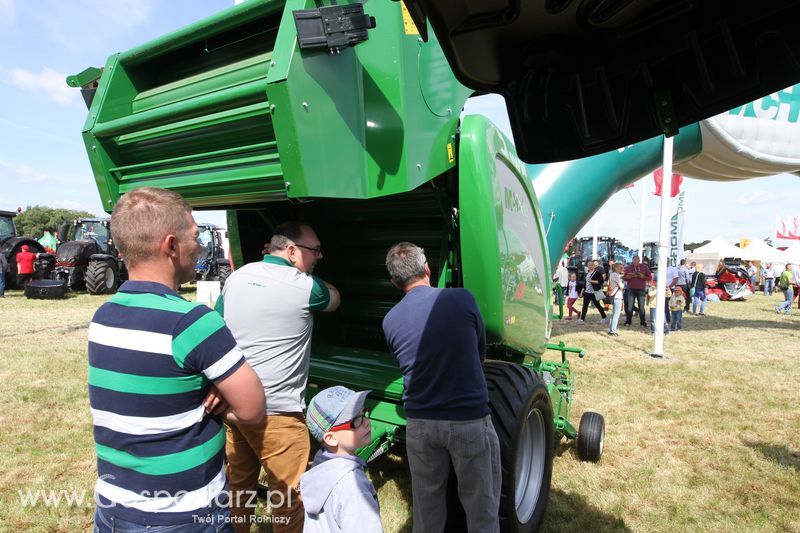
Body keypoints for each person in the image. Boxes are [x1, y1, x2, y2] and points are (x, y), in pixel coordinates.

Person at [88, 187, 265, 531]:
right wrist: (214, 394)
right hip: (184, 513)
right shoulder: (193, 322)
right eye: (195, 237)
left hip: (113, 506)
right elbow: (253, 408)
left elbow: (150, 386)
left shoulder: (102, 316)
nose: (198, 247)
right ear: (171, 246)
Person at [217, 221, 341, 532]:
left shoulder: (236, 277)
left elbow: (217, 324)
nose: (319, 256)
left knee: (239, 488)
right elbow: (335, 298)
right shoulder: (304, 286)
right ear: (291, 250)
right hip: (279, 415)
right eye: (314, 250)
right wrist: (303, 275)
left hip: (235, 409)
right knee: (288, 498)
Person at [382, 242, 500, 533]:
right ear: (427, 269)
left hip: (420, 424)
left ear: (395, 282)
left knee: (427, 511)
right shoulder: (462, 299)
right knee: (481, 510)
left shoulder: (389, 320)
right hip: (467, 420)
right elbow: (480, 352)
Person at [300, 386, 382, 533]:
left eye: (364, 413)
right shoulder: (354, 488)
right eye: (356, 420)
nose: (367, 422)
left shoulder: (319, 470)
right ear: (331, 438)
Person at [623, 256, 650, 327]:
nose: (635, 262)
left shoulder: (644, 267)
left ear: (639, 260)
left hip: (641, 289)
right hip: (631, 289)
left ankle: (643, 322)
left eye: (637, 260)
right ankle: (628, 321)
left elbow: (649, 277)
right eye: (634, 260)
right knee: (630, 307)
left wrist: (643, 276)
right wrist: (628, 277)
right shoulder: (629, 267)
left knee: (641, 307)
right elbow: (624, 277)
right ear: (632, 260)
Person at [607, 263, 625, 336]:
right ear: (616, 268)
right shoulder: (616, 275)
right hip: (617, 296)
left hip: (612, 295)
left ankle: (611, 330)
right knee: (616, 315)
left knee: (613, 314)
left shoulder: (611, 274)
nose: (622, 269)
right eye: (621, 268)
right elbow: (622, 286)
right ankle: (613, 331)